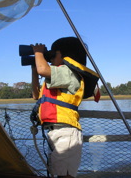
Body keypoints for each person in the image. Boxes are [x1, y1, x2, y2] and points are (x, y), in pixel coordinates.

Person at [31, 37, 90, 178]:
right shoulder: (58, 76)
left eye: (53, 54)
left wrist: (38, 53)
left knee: (65, 175)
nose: (50, 58)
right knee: (60, 173)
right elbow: (35, 95)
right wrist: (34, 68)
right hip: (55, 131)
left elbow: (43, 70)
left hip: (66, 132)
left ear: (66, 56)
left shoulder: (69, 72)